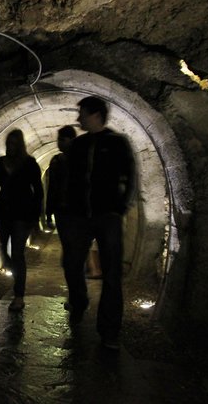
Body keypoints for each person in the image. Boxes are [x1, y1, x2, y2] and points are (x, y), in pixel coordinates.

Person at [64, 96, 136, 350]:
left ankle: (109, 332)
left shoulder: (117, 142)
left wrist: (120, 208)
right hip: (79, 216)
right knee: (72, 265)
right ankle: (79, 300)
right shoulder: (79, 145)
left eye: (81, 113)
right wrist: (69, 209)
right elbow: (71, 180)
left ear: (95, 114)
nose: (78, 118)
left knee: (112, 274)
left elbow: (129, 176)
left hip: (107, 216)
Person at [0, 129, 44, 312]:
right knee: (5, 252)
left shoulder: (30, 163)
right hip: (4, 212)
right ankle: (15, 274)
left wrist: (36, 215)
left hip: (23, 214)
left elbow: (38, 191)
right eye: (8, 143)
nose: (10, 147)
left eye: (13, 144)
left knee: (18, 253)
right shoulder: (0, 162)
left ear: (20, 145)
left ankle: (19, 296)